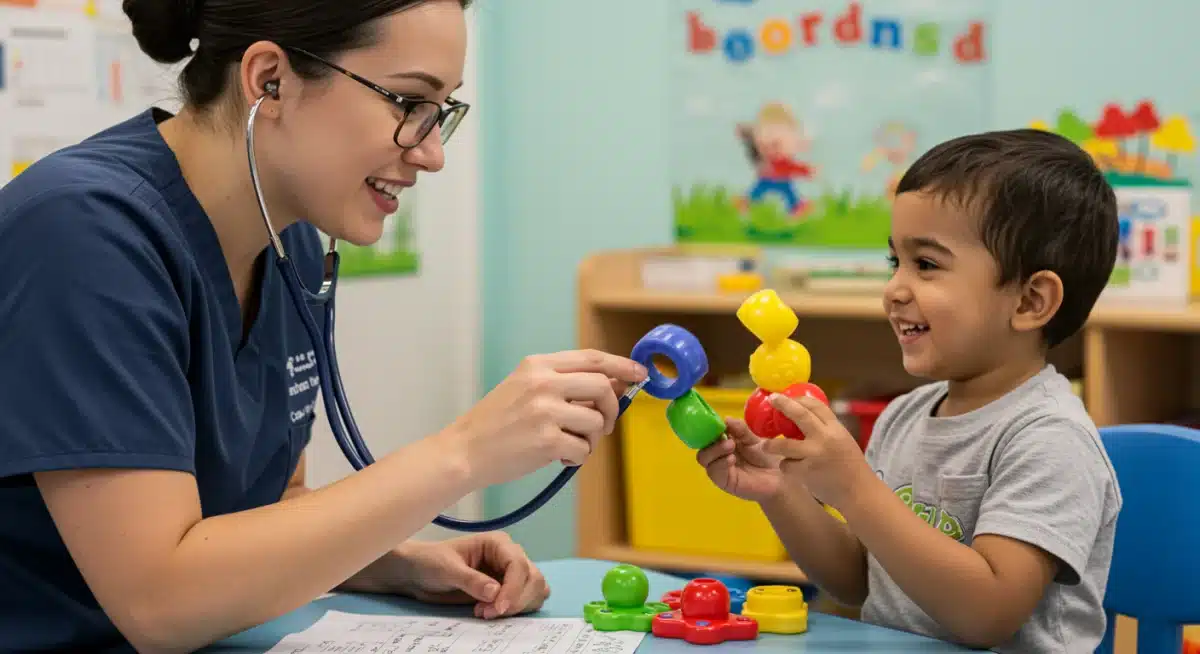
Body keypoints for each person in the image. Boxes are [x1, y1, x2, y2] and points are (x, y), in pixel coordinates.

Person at [0, 1, 648, 651]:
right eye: (407, 103)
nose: (430, 154)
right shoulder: (83, 232)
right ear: (269, 80)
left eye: (441, 112)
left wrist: (392, 562)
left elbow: (263, 512)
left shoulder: (290, 241)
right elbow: (159, 602)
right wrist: (464, 453)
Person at [698, 129, 1123, 653]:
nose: (895, 288)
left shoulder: (1050, 440)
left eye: (926, 265)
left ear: (1030, 301)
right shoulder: (905, 415)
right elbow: (858, 580)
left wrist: (855, 489)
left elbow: (988, 615)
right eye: (893, 262)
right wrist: (781, 490)